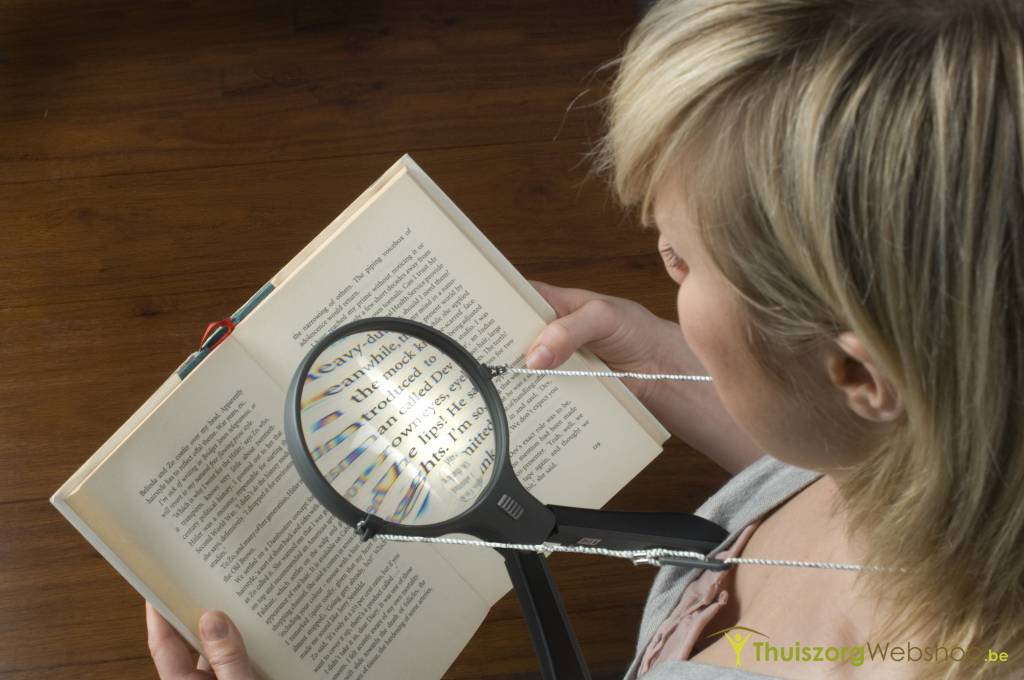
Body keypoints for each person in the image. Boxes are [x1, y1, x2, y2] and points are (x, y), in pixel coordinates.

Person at [148, 0, 1024, 677]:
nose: (655, 249)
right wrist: (664, 363)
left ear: (856, 372)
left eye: (681, 260)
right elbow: (826, 458)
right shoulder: (935, 452)